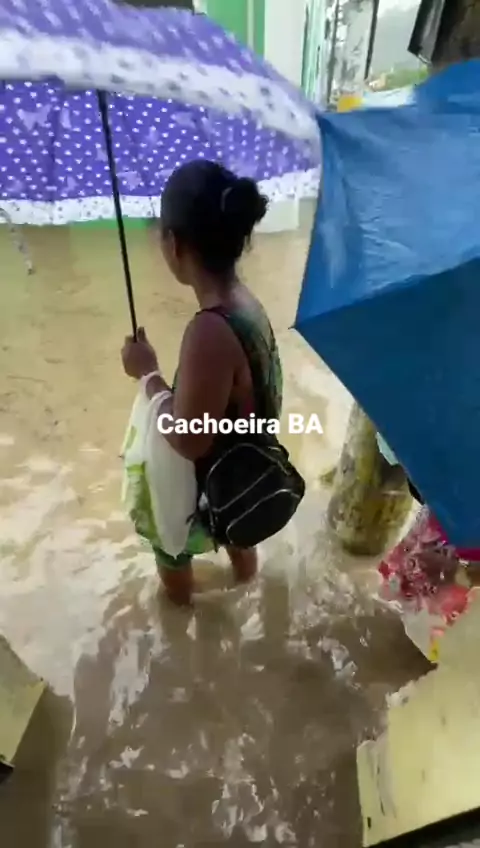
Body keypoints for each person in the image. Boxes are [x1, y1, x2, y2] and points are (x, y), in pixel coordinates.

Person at [121, 160, 283, 606]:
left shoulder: (208, 330)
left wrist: (148, 374)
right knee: (239, 534)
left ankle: (182, 616)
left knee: (170, 551)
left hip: (213, 484)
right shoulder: (246, 302)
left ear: (174, 244)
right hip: (247, 472)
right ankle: (246, 589)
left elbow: (189, 439)